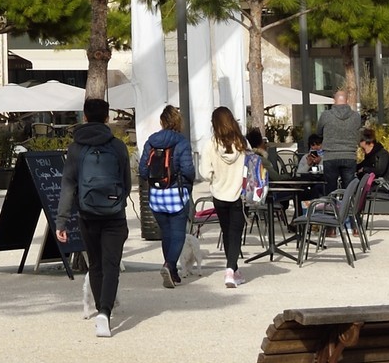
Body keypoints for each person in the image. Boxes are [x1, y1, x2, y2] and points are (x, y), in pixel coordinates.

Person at [57, 97, 133, 336]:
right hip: (114, 214)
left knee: (96, 264)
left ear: (85, 116)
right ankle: (104, 313)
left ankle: (101, 308)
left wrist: (61, 220)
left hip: (87, 214)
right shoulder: (118, 146)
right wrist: (116, 201)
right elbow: (127, 183)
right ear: (107, 118)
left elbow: (68, 185)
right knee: (112, 265)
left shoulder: (75, 148)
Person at [140, 104, 195, 289]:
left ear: (162, 122)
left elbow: (143, 170)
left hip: (156, 195)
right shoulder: (182, 142)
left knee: (166, 233)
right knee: (178, 234)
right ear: (178, 122)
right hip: (176, 194)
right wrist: (188, 184)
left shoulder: (151, 141)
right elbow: (188, 169)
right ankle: (169, 265)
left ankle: (172, 273)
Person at [207, 107, 250, 291]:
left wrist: (215, 178)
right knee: (235, 233)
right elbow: (251, 166)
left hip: (219, 194)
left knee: (226, 232)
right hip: (239, 195)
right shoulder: (242, 143)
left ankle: (233, 269)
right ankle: (231, 270)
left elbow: (204, 171)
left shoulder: (210, 144)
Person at [314, 82, 364, 169]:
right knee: (349, 178)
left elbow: (319, 133)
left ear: (334, 101)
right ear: (347, 101)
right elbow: (358, 134)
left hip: (330, 155)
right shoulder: (356, 116)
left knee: (331, 178)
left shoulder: (326, 115)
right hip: (349, 155)